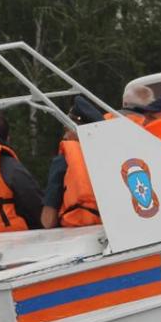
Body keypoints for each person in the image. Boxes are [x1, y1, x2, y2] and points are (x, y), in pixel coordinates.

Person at [41, 97, 104, 228]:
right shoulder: (112, 157)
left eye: (67, 130)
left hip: (75, 232)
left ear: (79, 130)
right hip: (109, 231)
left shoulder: (64, 159)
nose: (65, 137)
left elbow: (48, 220)